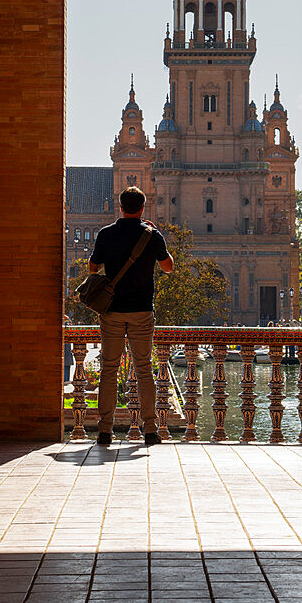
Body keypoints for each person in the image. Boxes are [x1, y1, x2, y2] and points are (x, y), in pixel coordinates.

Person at [88, 185, 173, 447]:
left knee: (108, 370)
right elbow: (168, 267)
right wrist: (155, 238)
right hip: (142, 311)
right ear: (142, 208)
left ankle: (105, 430)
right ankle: (150, 430)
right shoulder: (152, 235)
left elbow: (93, 267)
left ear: (120, 207)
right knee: (144, 370)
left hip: (112, 311)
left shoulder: (106, 233)